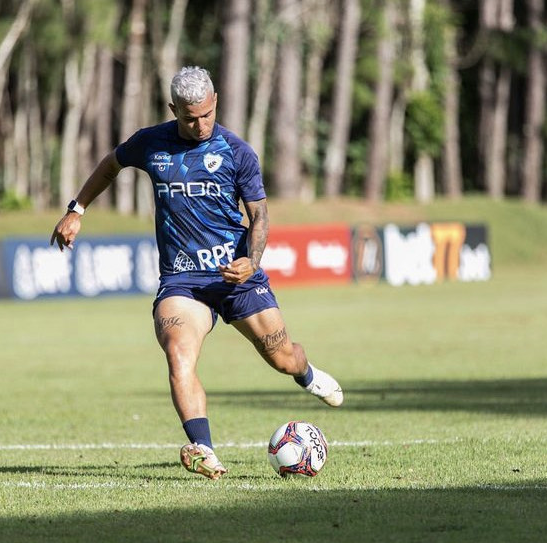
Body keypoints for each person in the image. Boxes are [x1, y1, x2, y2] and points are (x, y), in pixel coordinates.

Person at [50, 66, 343, 480]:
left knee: (283, 358)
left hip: (235, 276)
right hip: (182, 281)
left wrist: (252, 262)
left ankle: (307, 374)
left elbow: (259, 215)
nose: (200, 124)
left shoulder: (237, 152)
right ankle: (203, 448)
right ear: (174, 109)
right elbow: (110, 165)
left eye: (206, 114)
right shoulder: (151, 143)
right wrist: (76, 210)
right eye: (190, 117)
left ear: (215, 102)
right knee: (177, 350)